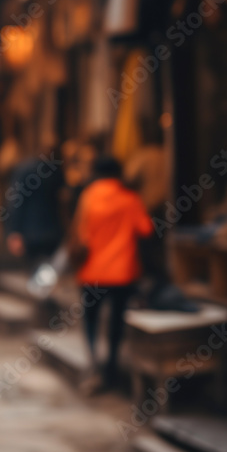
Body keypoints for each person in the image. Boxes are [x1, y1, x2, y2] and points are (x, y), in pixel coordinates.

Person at [73, 156, 153, 389]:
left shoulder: (88, 196)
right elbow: (146, 229)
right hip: (122, 272)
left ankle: (94, 361)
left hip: (92, 272)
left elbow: (81, 233)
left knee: (91, 319)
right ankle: (111, 367)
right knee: (116, 323)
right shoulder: (130, 198)